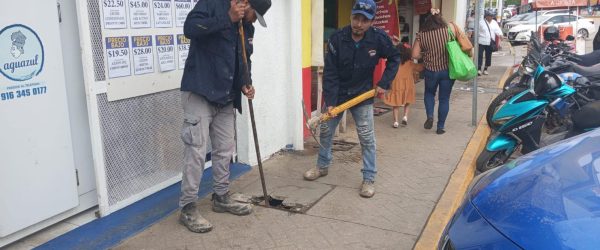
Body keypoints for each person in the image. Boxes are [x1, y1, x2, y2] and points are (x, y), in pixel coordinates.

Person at [178, 0, 271, 234]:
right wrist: (226, 19)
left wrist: (245, 83)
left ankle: (221, 196)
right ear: (246, 3)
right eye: (254, 14)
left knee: (225, 149)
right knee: (196, 151)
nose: (253, 20)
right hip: (200, 90)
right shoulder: (213, 4)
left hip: (226, 97)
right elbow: (190, 29)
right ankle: (188, 207)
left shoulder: (246, 27)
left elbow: (243, 60)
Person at [303, 0, 401, 198]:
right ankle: (322, 166)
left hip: (362, 95)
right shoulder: (337, 39)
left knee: (366, 138)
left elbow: (395, 58)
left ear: (372, 21)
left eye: (364, 20)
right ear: (351, 17)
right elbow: (330, 73)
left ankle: (369, 177)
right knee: (325, 132)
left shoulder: (379, 39)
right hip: (337, 95)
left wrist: (384, 82)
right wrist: (330, 101)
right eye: (356, 18)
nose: (359, 23)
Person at [411, 8, 460, 135]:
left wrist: (425, 55)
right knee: (444, 98)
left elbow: (414, 54)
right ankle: (440, 127)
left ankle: (430, 116)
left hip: (430, 71)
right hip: (447, 71)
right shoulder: (448, 32)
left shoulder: (421, 35)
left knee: (429, 94)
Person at [384, 43, 423, 128]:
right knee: (407, 101)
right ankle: (405, 117)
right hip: (408, 84)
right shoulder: (410, 63)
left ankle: (396, 122)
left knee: (395, 103)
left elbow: (388, 70)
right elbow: (420, 68)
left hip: (396, 84)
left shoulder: (394, 62)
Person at [477, 10, 502, 75]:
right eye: (490, 16)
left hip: (490, 42)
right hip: (481, 41)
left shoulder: (494, 22)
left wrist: (501, 35)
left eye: (492, 16)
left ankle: (485, 69)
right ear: (486, 16)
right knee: (480, 55)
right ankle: (479, 69)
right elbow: (477, 32)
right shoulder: (481, 22)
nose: (491, 17)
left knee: (488, 55)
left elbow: (497, 30)